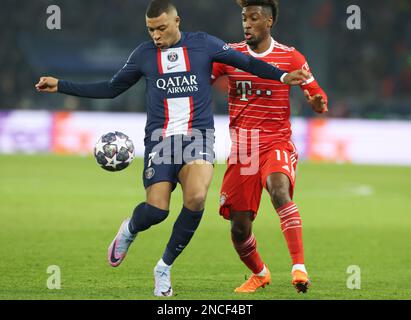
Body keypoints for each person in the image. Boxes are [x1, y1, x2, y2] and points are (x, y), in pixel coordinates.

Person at [35, 0, 309, 297]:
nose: (156, 35)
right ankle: (130, 229)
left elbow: (249, 63)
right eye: (151, 29)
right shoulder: (143, 55)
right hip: (161, 140)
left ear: (177, 21)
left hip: (198, 137)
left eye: (162, 28)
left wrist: (282, 76)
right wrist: (61, 85)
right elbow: (111, 88)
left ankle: (163, 267)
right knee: (156, 211)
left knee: (196, 198)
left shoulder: (204, 44)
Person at [212, 0, 328, 294]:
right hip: (243, 148)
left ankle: (299, 267)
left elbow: (317, 96)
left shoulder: (290, 58)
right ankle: (260, 273)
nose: (247, 23)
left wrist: (317, 102)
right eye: (244, 18)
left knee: (279, 190)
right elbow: (199, 82)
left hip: (276, 141)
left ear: (269, 22)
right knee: (239, 229)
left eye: (253, 18)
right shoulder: (230, 55)